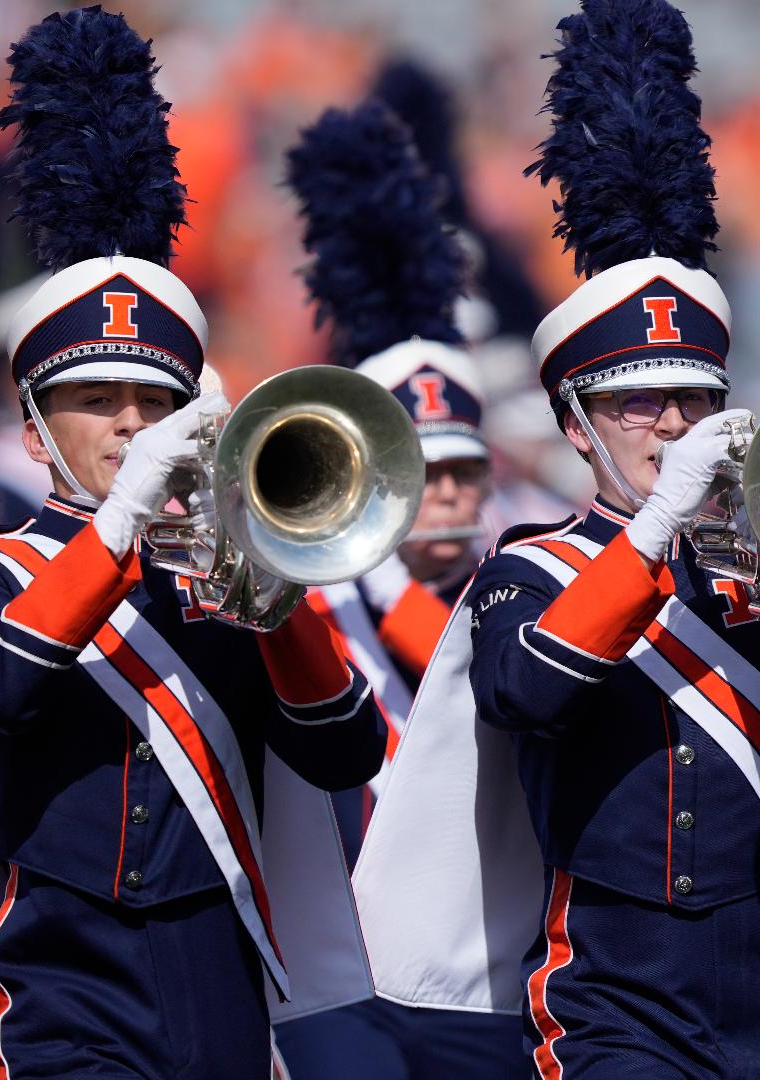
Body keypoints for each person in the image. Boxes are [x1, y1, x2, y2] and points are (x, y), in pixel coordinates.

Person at [351, 2, 760, 1075]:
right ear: (574, 424)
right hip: (606, 1001)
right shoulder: (523, 571)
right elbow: (528, 693)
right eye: (636, 403)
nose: (671, 423)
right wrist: (656, 529)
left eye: (691, 395)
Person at [0, 10, 384, 1077]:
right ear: (32, 428)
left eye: (155, 397)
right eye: (96, 399)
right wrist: (119, 524)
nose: (132, 423)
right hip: (58, 994)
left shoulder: (227, 566)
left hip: (220, 984)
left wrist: (274, 573)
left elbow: (343, 749)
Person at [271, 99, 524, 1080]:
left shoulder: (518, 586)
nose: (446, 494)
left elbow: (457, 662)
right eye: (420, 473)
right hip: (343, 972)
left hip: (482, 963)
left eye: (460, 473)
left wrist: (376, 574)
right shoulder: (311, 603)